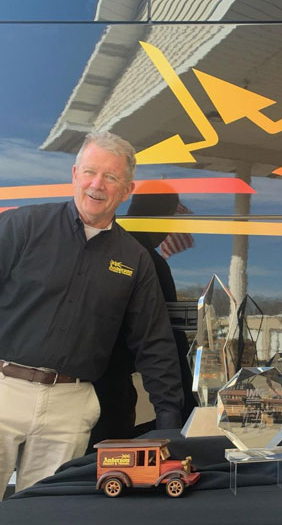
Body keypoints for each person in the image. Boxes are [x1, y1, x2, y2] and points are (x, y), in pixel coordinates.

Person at [0, 132, 183, 495]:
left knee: (47, 511)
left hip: (71, 405)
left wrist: (168, 419)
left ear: (126, 190)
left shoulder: (135, 259)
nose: (97, 184)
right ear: (74, 174)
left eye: (111, 177)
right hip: (6, 387)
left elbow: (154, 342)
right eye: (90, 172)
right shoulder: (22, 227)